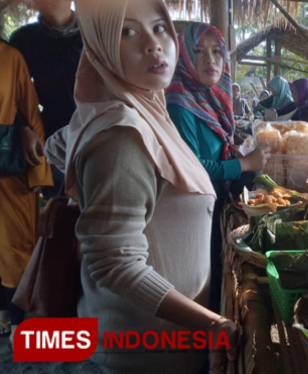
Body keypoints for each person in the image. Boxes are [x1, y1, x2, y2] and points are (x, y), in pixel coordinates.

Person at [45, 1, 239, 372]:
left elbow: (57, 144)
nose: (153, 45)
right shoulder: (121, 135)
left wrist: (89, 177)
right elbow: (114, 262)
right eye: (127, 32)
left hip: (166, 339)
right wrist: (213, 325)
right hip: (140, 351)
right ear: (100, 46)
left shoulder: (138, 109)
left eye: (160, 28)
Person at [165, 23, 269, 315]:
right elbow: (191, 166)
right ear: (183, 55)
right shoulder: (180, 101)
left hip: (210, 203)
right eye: (198, 51)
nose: (210, 59)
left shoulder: (212, 97)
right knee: (198, 280)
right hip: (189, 210)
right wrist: (245, 164)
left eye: (216, 52)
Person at [0, 40, 53, 343]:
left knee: (17, 246)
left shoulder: (10, 58)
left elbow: (30, 114)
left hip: (10, 171)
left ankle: (20, 324)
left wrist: (38, 171)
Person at [10, 0, 83, 198]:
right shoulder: (24, 39)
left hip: (97, 131)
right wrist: (23, 128)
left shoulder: (94, 34)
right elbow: (12, 94)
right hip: (52, 138)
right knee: (61, 211)